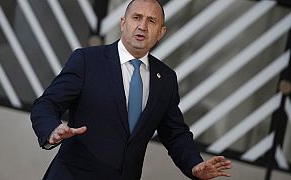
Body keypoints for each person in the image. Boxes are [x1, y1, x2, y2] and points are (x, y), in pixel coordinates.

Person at [30, 0, 232, 179]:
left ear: (161, 32)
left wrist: (194, 165)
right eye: (137, 17)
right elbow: (46, 104)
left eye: (151, 21)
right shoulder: (87, 60)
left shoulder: (166, 78)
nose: (142, 26)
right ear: (123, 23)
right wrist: (52, 129)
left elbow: (175, 132)